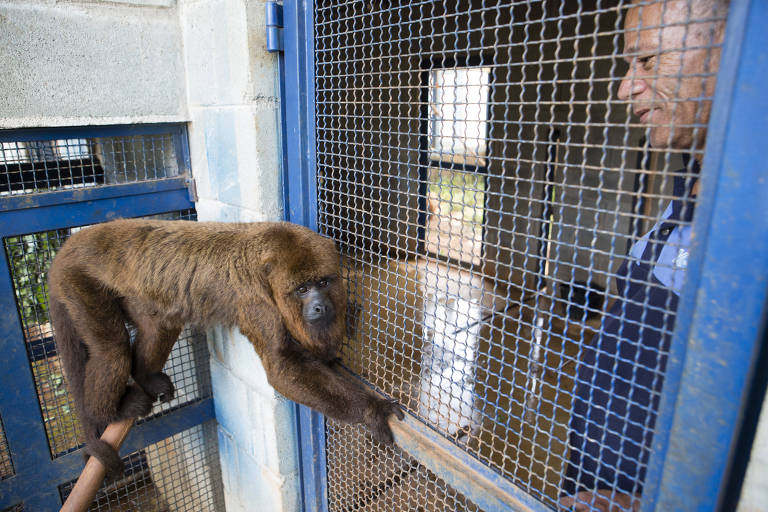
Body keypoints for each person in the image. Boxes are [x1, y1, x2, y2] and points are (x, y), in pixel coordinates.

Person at [559, 1, 728, 510]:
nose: (624, 87)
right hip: (590, 480)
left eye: (647, 61)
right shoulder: (687, 186)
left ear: (724, 48)